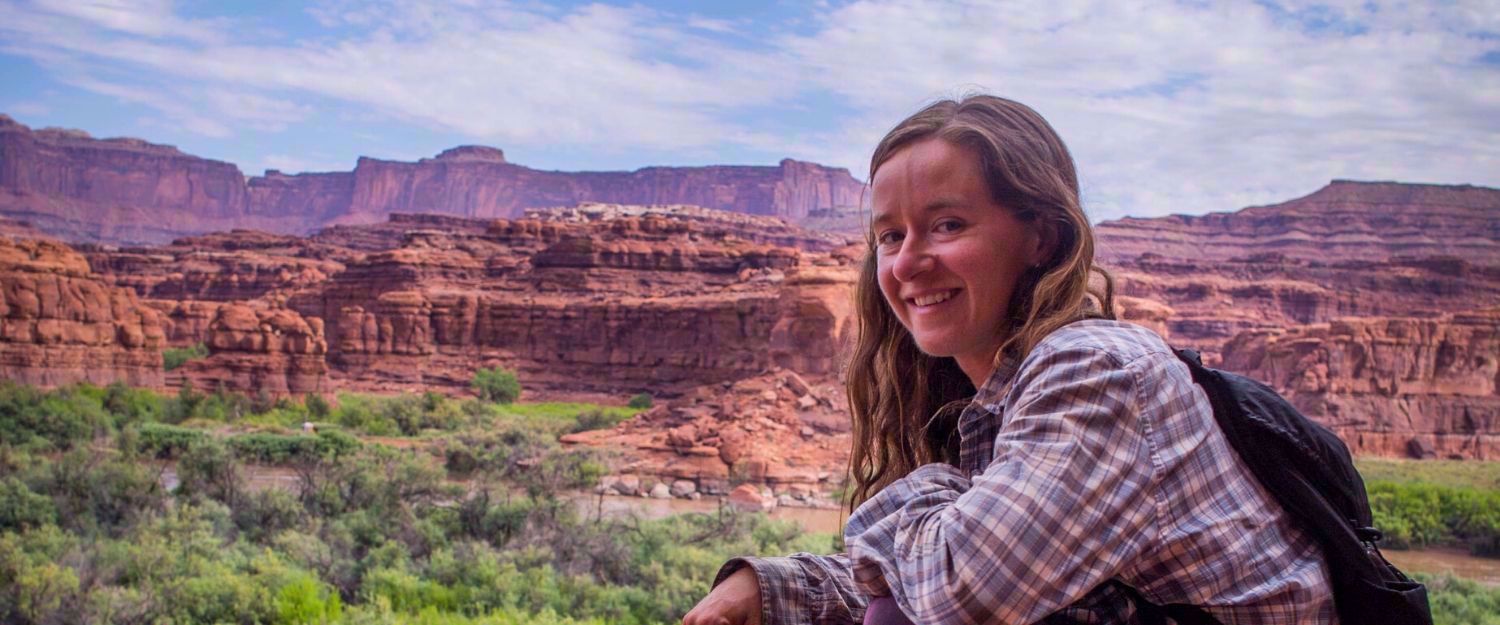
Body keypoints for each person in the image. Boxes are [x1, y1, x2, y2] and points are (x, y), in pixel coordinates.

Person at [682, 95, 1337, 625]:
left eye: (947, 225)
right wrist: (765, 588)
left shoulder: (1096, 373)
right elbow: (941, 565)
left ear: (1040, 236)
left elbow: (961, 592)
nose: (908, 261)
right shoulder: (998, 392)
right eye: (890, 235)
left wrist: (923, 492)